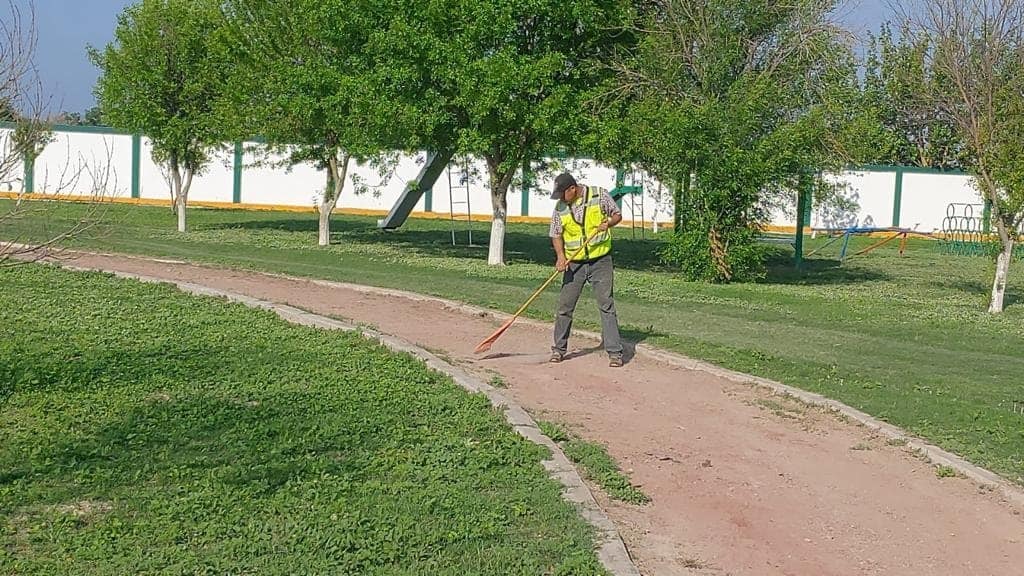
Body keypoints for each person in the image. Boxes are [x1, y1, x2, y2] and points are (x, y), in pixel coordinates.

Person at [548, 172, 624, 367]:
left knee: (606, 305)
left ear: (572, 189)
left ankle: (615, 353)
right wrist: (561, 257)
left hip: (601, 261)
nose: (559, 199)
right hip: (575, 264)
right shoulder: (560, 208)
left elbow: (617, 215)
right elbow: (556, 234)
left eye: (562, 193)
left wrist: (608, 223)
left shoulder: (600, 196)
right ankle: (558, 350)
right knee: (565, 307)